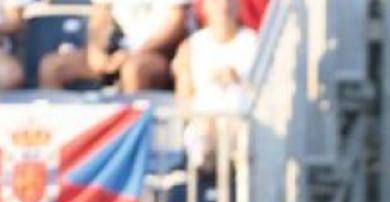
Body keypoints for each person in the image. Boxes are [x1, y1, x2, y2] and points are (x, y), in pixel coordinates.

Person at [173, 0, 257, 168]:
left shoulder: (253, 43)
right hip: (203, 129)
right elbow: (183, 98)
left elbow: (263, 96)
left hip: (242, 128)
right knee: (204, 131)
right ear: (205, 7)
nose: (223, 6)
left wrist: (238, 79)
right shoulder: (191, 46)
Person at [39, 0, 190, 92]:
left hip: (159, 53)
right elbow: (101, 16)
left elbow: (176, 23)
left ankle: (129, 137)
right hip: (118, 50)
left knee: (134, 69)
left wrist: (137, 53)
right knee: (52, 67)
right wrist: (96, 51)